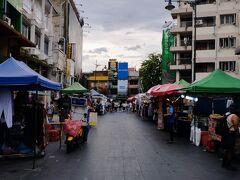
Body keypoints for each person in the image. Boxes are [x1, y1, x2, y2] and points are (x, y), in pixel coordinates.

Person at [221, 104, 240, 170]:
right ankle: (228, 164)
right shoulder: (235, 116)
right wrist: (237, 136)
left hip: (225, 134)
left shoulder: (226, 114)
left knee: (225, 149)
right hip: (231, 134)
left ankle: (223, 163)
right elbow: (236, 128)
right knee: (230, 150)